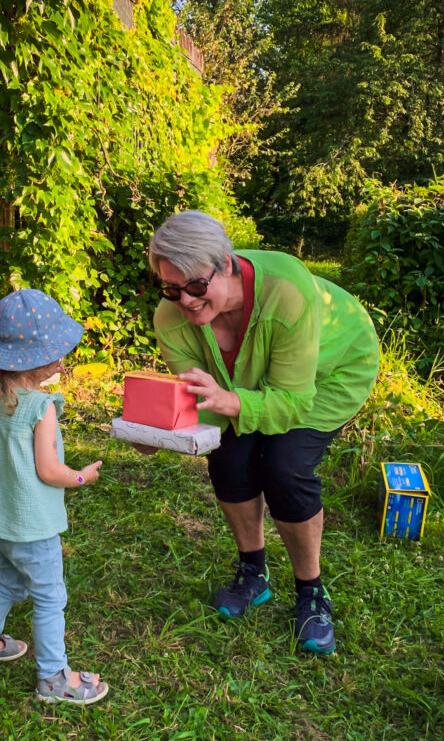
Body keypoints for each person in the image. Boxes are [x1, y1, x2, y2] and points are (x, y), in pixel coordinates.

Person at [147, 211, 379, 654]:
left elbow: (292, 401)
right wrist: (156, 433)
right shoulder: (170, 317)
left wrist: (232, 402)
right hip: (247, 384)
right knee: (229, 459)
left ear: (228, 264)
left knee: (284, 467)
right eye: (172, 289)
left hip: (331, 371)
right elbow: (199, 405)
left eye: (196, 286)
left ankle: (311, 592)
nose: (186, 302)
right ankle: (254, 572)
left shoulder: (288, 290)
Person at [0, 289, 109, 705]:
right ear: (36, 361)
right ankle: (54, 678)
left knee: (11, 578)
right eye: (57, 353)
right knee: (50, 596)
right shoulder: (41, 407)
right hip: (30, 526)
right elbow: (49, 471)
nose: (62, 360)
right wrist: (80, 477)